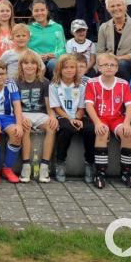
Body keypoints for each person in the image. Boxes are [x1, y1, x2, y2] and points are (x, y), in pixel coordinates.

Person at [84, 53, 131, 189]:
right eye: (105, 65)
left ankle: (126, 172)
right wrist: (97, 122)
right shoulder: (92, 82)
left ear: (117, 68)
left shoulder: (123, 84)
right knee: (102, 132)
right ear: (99, 68)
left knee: (127, 133)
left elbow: (130, 105)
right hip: (100, 118)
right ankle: (100, 172)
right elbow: (89, 105)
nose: (109, 67)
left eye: (112, 65)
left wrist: (127, 123)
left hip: (117, 119)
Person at [50, 54, 94, 183]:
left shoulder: (81, 86)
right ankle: (60, 162)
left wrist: (77, 118)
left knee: (90, 129)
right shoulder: (54, 86)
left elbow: (82, 107)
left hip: (77, 116)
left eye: (72, 67)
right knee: (66, 129)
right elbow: (56, 107)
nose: (69, 70)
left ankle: (89, 163)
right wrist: (70, 119)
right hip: (62, 116)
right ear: (59, 69)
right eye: (65, 67)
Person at [15, 51, 55, 183]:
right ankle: (26, 166)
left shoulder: (44, 82)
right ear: (21, 66)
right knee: (25, 128)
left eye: (33, 63)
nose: (29, 66)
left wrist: (52, 116)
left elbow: (49, 105)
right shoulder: (16, 82)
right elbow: (15, 106)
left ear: (38, 66)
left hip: (40, 113)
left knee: (51, 127)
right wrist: (20, 118)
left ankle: (44, 165)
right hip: (23, 113)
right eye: (26, 63)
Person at [96, 0, 131, 81]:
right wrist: (108, 61)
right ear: (108, 9)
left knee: (121, 65)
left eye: (119, 5)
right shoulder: (103, 27)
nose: (116, 8)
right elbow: (100, 52)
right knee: (98, 73)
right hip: (109, 63)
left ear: (125, 6)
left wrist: (118, 59)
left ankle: (127, 93)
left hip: (129, 64)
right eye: (112, 6)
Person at [28, 0, 67, 75]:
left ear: (47, 11)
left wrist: (54, 55)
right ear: (32, 13)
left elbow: (63, 49)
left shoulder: (57, 27)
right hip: (34, 61)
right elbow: (25, 49)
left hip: (53, 61)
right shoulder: (28, 28)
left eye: (42, 10)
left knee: (53, 64)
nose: (39, 13)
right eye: (36, 10)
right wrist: (36, 56)